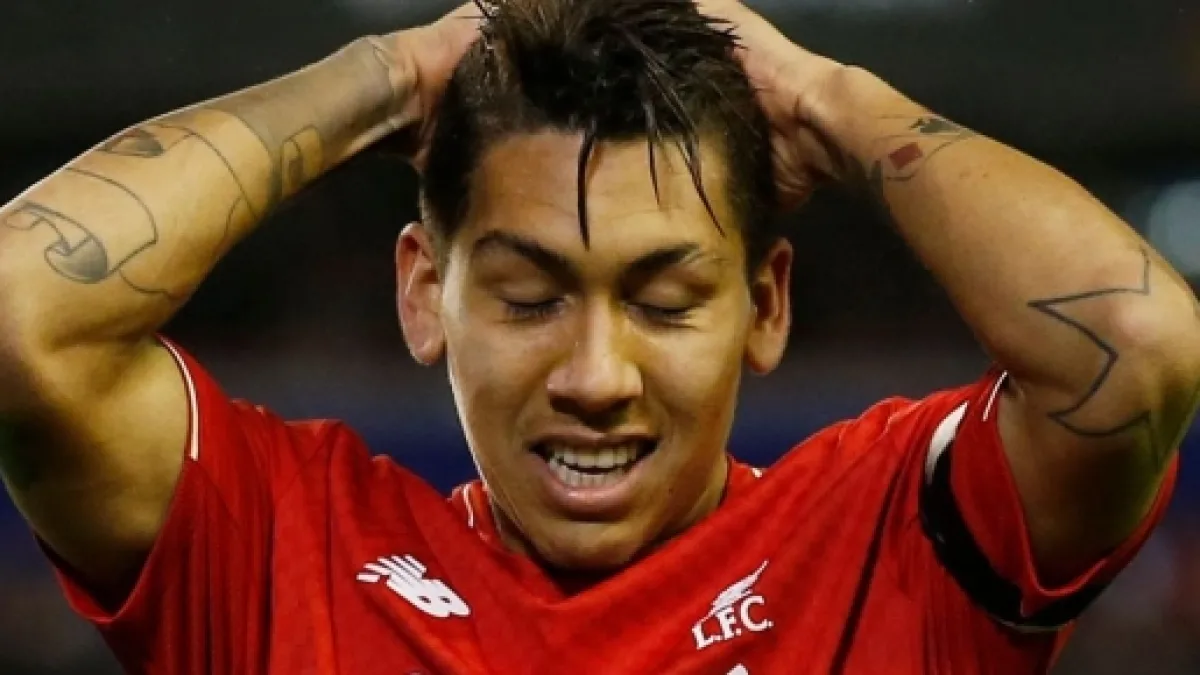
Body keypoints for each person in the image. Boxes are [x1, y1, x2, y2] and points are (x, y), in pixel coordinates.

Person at [0, 0, 1196, 672]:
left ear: (765, 307)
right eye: (529, 298)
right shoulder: (275, 547)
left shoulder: (892, 543)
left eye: (666, 301)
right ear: (424, 292)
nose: (595, 377)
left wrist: (828, 99)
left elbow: (1138, 341)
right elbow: (17, 316)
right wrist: (387, 75)